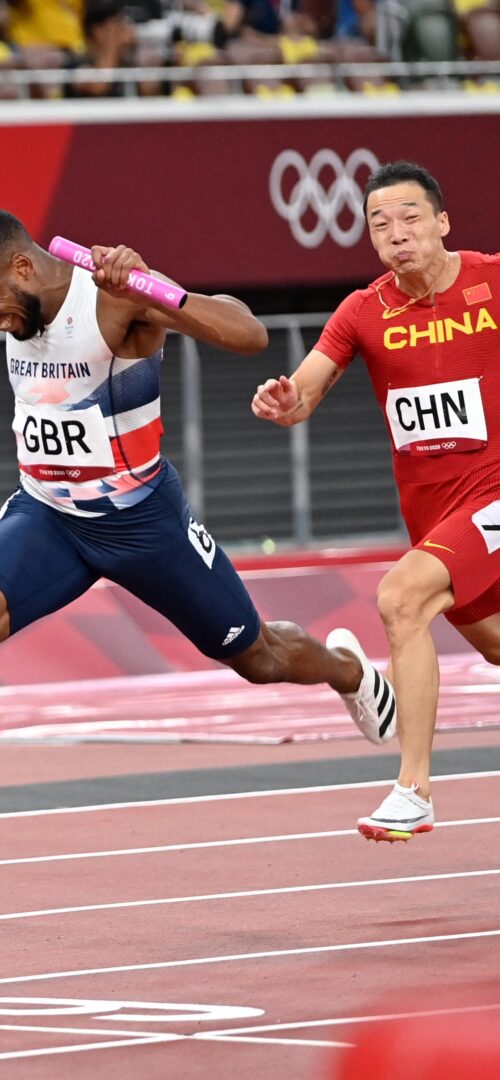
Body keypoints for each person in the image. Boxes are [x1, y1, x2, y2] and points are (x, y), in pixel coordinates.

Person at [0, 207, 396, 920]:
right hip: (49, 516)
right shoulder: (11, 309)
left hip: (143, 522)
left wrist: (153, 289)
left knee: (256, 655)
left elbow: (249, 334)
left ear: (21, 267)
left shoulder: (112, 297)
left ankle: (350, 672)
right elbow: (13, 333)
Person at [251, 160, 500, 844]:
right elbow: (304, 391)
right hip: (435, 514)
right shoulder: (365, 311)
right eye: (380, 223)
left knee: (400, 598)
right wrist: (284, 401)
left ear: (443, 222)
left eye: (411, 217)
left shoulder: (492, 280)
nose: (396, 233)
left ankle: (413, 789)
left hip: (496, 494)